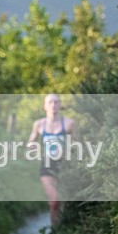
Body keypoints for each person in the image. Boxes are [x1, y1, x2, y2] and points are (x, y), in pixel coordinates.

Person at [28, 94, 75, 226]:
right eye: (50, 102)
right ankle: (55, 233)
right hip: (47, 165)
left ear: (60, 105)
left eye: (56, 102)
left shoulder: (69, 123)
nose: (53, 105)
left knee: (65, 202)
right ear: (45, 106)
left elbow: (78, 144)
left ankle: (65, 231)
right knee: (54, 201)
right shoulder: (38, 124)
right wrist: (31, 146)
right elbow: (31, 141)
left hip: (65, 165)